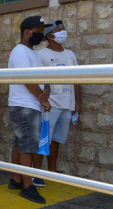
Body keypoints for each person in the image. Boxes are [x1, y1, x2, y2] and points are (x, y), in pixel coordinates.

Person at [8, 16, 52, 204]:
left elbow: (42, 76)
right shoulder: (19, 52)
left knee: (20, 142)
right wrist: (43, 97)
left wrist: (45, 91)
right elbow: (28, 80)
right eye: (39, 31)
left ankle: (16, 179)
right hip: (24, 105)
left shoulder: (33, 53)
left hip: (30, 104)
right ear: (27, 32)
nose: (41, 35)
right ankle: (27, 186)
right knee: (27, 144)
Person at [32, 20, 82, 185]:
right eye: (59, 30)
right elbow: (38, 81)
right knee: (43, 138)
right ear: (50, 35)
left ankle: (52, 171)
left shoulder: (70, 54)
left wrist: (77, 103)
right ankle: (36, 173)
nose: (63, 33)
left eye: (64, 30)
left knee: (56, 140)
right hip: (50, 105)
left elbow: (76, 79)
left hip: (67, 105)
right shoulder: (41, 54)